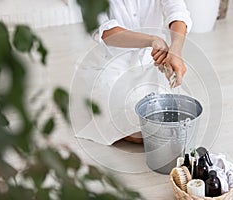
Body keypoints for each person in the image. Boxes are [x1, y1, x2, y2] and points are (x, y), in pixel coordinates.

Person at [76, 0, 192, 145]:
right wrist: (152, 40)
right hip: (111, 64)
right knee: (136, 131)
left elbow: (177, 11)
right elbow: (105, 31)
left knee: (172, 118)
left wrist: (175, 50)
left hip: (151, 60)